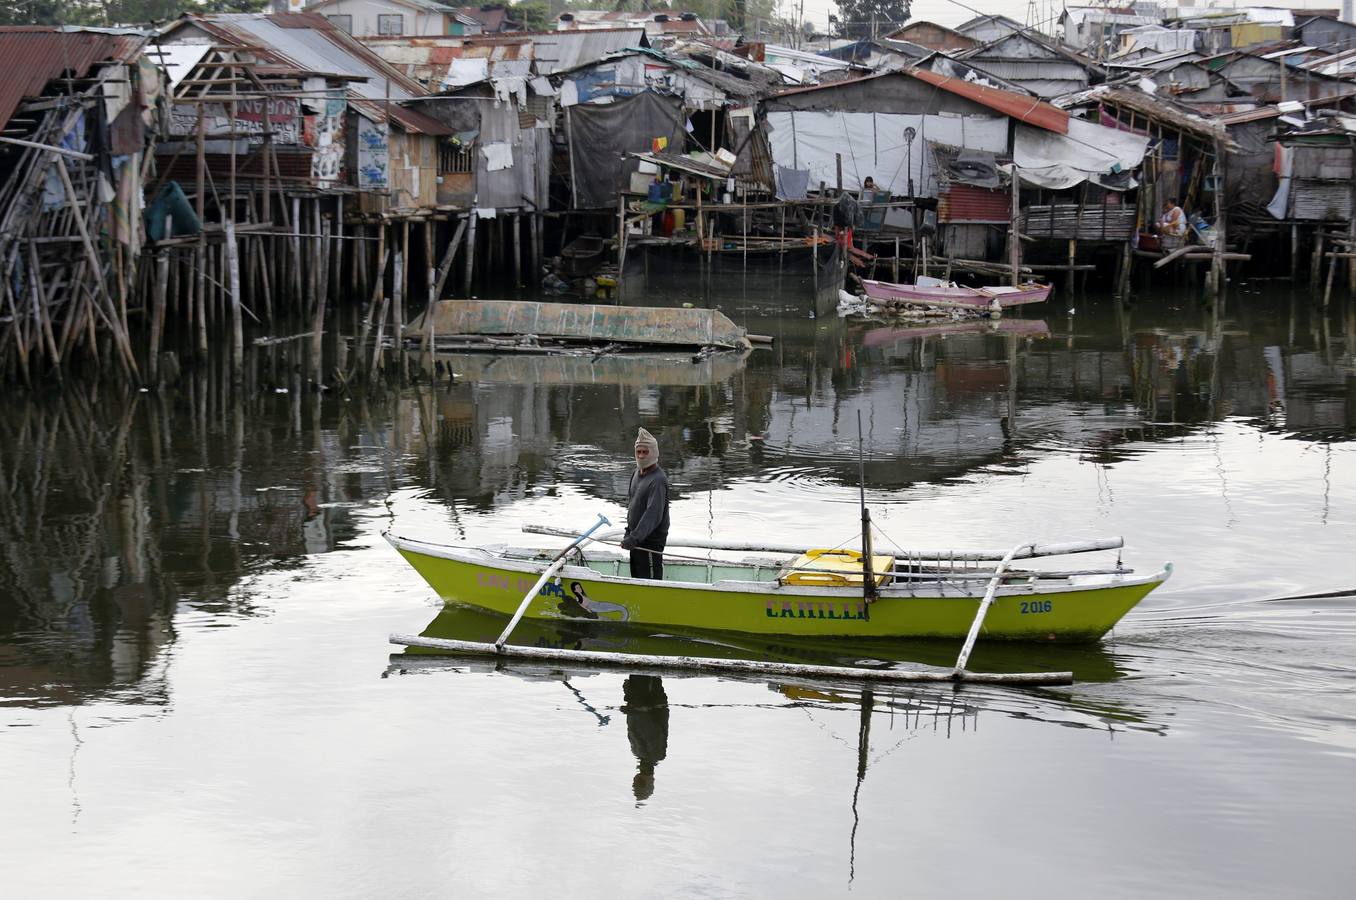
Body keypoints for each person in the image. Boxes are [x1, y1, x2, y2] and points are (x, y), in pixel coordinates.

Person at [622, 427, 669, 580]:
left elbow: (652, 515)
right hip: (636, 541)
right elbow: (632, 505)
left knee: (650, 582)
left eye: (645, 452)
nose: (641, 456)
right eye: (638, 452)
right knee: (636, 579)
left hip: (650, 544)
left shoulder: (658, 480)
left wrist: (634, 538)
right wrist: (629, 532)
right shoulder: (636, 473)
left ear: (653, 453)